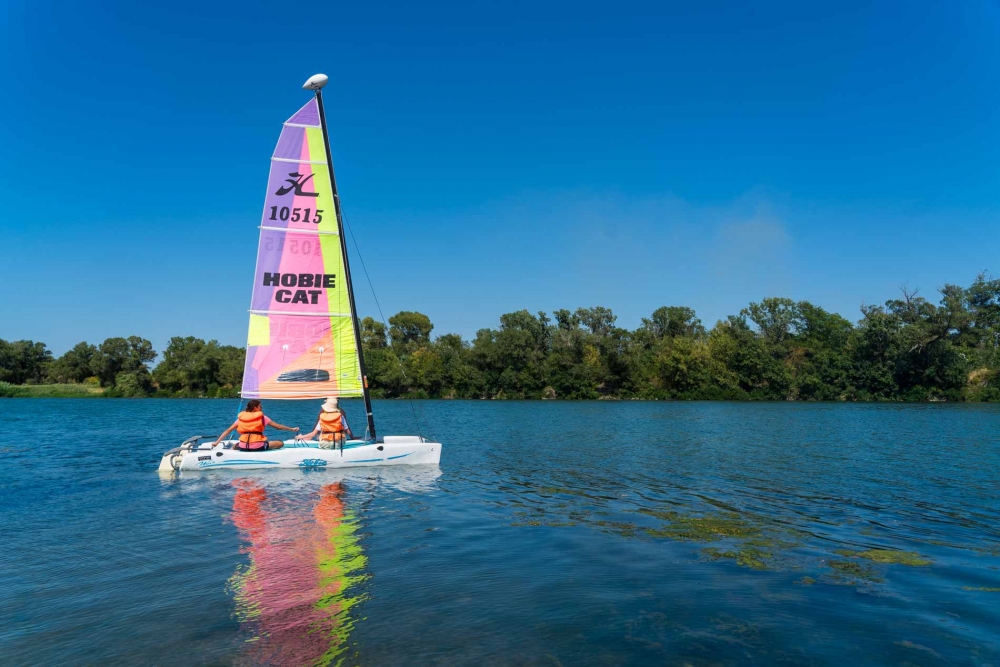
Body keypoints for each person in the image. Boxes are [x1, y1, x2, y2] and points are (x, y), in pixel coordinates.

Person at [213, 399, 299, 451]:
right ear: (255, 408)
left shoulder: (241, 418)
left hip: (243, 447)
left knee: (235, 445)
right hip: (257, 447)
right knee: (280, 443)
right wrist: (292, 429)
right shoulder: (262, 417)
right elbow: (278, 427)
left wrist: (217, 442)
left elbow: (228, 430)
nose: (261, 408)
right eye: (260, 406)